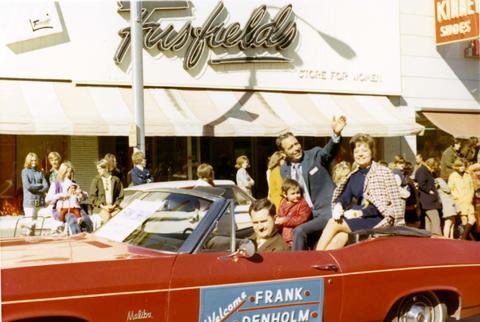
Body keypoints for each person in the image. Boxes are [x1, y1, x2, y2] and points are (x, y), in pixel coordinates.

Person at [316, 134, 404, 251]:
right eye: (356, 151)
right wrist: (339, 205)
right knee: (340, 237)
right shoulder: (354, 176)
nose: (360, 154)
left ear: (372, 152)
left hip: (380, 219)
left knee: (333, 223)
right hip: (361, 219)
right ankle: (324, 263)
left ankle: (315, 257)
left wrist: (359, 213)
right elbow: (344, 197)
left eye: (364, 150)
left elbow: (392, 204)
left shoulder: (384, 172)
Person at [277, 115, 347, 250]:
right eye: (290, 147)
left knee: (299, 231)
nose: (296, 148)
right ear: (283, 152)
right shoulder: (284, 169)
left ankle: (297, 268)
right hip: (303, 215)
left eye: (296, 143)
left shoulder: (314, 155)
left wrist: (336, 134)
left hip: (326, 211)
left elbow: (328, 152)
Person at [46, 161, 93, 234]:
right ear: (62, 172)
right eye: (66, 172)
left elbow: (83, 197)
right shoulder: (56, 184)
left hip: (75, 207)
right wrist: (59, 196)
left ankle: (88, 238)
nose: (68, 175)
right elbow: (48, 200)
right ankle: (77, 239)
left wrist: (80, 194)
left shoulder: (74, 183)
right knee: (72, 219)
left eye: (70, 172)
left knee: (86, 219)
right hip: (60, 209)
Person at [275, 179, 312, 247]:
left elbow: (302, 219)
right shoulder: (283, 203)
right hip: (283, 237)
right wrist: (277, 220)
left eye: (298, 192)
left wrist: (284, 220)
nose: (296, 195)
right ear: (285, 194)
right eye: (293, 193)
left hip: (294, 237)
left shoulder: (303, 204)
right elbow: (279, 215)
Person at [88, 159, 124, 227]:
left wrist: (114, 205)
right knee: (107, 217)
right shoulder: (96, 180)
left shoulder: (115, 180)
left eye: (100, 169)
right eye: (97, 169)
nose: (98, 171)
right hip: (100, 208)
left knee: (119, 216)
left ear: (106, 168)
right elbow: (92, 197)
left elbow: (120, 195)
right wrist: (103, 206)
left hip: (113, 207)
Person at [21, 152, 49, 235]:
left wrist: (37, 188)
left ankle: (33, 244)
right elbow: (28, 186)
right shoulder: (25, 171)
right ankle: (26, 242)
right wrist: (40, 186)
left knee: (36, 227)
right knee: (29, 226)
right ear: (28, 161)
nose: (33, 162)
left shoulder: (40, 172)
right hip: (29, 202)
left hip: (39, 202)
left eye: (35, 160)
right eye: (31, 160)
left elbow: (46, 186)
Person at [448, 158, 475, 240]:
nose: (462, 167)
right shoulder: (453, 176)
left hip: (468, 201)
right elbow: (450, 189)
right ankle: (466, 239)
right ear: (456, 166)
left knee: (473, 219)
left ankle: (463, 237)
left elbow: (472, 187)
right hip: (459, 201)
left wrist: (471, 196)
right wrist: (456, 197)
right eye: (460, 166)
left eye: (464, 165)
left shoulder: (468, 175)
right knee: (464, 220)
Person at [415, 158, 442, 235]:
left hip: (427, 200)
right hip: (428, 200)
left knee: (428, 220)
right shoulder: (423, 171)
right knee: (435, 220)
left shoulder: (424, 170)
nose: (433, 170)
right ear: (431, 165)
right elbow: (422, 184)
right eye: (433, 167)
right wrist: (430, 191)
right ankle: (438, 237)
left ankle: (429, 237)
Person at [469, 163, 480, 233]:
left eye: (479, 170)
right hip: (475, 202)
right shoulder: (471, 179)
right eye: (476, 171)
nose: (478, 172)